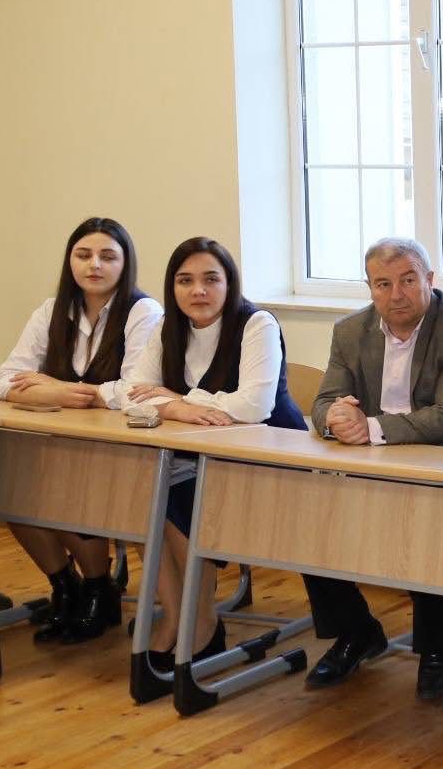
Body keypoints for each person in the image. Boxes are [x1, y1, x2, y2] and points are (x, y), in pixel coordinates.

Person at [304, 237, 443, 700]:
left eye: (408, 280)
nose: (396, 294)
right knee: (311, 516)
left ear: (429, 280)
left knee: (422, 521)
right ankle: (356, 631)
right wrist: (335, 418)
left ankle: (438, 645)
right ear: (370, 288)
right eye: (383, 284)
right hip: (377, 464)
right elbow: (323, 400)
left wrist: (370, 428)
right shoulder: (350, 331)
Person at [114, 237, 308, 670]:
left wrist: (176, 399)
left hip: (271, 463)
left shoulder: (257, 324)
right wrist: (178, 408)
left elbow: (254, 407)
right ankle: (178, 615)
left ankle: (200, 622)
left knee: (181, 499)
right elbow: (130, 394)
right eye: (185, 281)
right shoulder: (168, 328)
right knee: (144, 498)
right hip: (202, 459)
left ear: (229, 283)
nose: (198, 290)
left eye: (210, 279)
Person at [0, 217, 162, 643]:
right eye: (83, 255)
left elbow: (133, 391)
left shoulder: (142, 312)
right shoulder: (51, 311)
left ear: (125, 263)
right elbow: (4, 381)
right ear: (70, 261)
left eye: (107, 256)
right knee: (9, 492)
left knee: (65, 490)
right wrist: (62, 393)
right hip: (61, 442)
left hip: (124, 447)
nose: (94, 265)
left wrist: (55, 386)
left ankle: (100, 590)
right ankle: (66, 584)